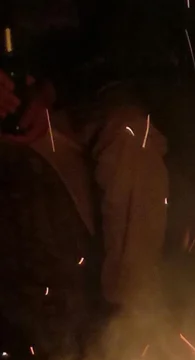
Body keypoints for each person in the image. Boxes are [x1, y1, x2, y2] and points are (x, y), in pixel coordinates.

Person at [0, 1, 174, 312]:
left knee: (133, 142)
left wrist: (50, 90)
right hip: (17, 115)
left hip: (87, 96)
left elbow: (126, 41)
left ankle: (132, 321)